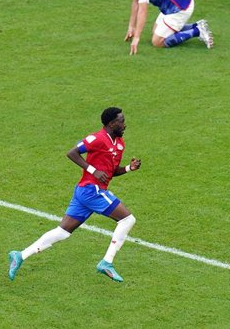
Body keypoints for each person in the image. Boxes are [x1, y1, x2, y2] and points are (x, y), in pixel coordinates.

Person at [8, 107, 142, 283]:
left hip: (85, 192)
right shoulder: (97, 139)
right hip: (91, 190)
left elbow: (110, 172)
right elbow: (72, 153)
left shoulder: (119, 143)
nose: (125, 124)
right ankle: (106, 263)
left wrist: (128, 169)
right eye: (121, 121)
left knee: (63, 231)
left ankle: (20, 255)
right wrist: (92, 170)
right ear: (111, 123)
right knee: (127, 220)